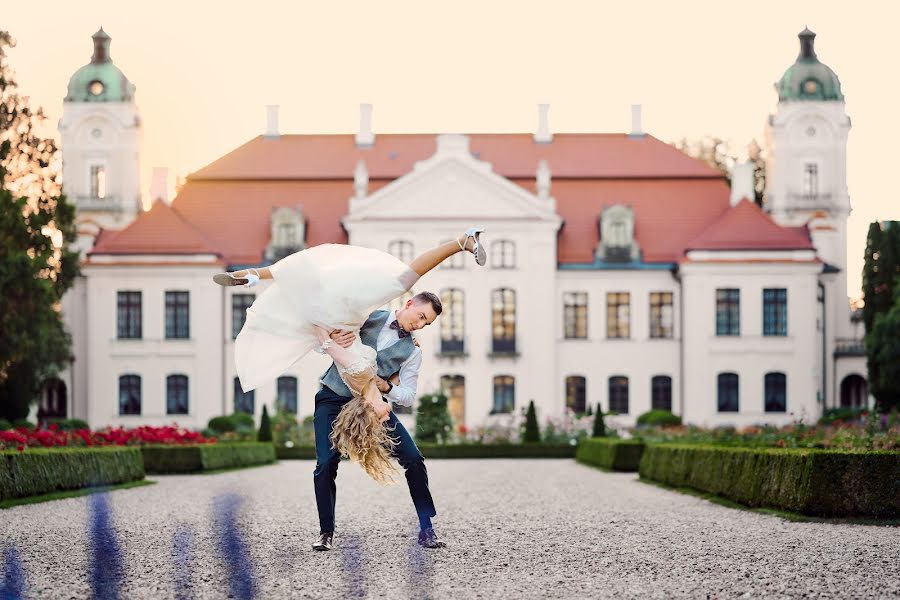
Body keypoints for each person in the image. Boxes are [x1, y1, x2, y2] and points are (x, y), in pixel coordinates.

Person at [214, 228, 486, 551]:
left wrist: (387, 387)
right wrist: (333, 336)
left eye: (426, 324)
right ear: (410, 303)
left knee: (414, 459)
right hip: (332, 397)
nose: (421, 325)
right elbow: (323, 334)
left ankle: (427, 529)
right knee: (325, 464)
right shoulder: (369, 313)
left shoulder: (413, 351)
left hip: (371, 408)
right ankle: (325, 533)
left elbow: (408, 395)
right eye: (421, 316)